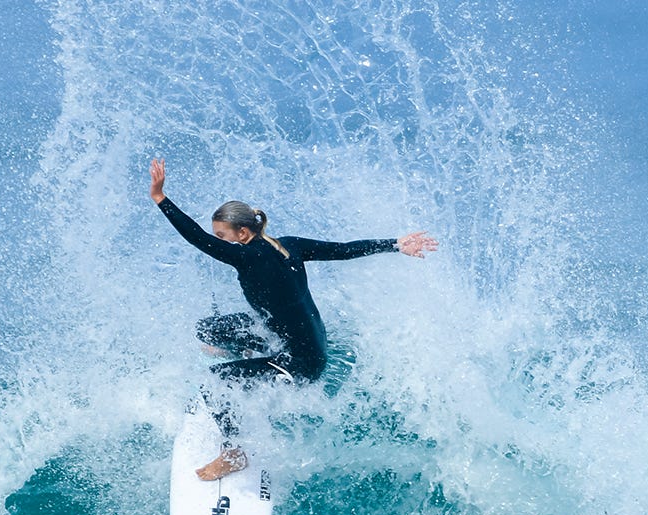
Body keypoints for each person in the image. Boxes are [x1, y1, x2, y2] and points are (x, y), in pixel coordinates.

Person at [149, 158, 438, 480]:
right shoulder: (290, 246)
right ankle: (245, 356)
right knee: (208, 329)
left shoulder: (244, 255)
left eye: (223, 235)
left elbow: (195, 237)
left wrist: (161, 199)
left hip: (301, 361)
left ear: (242, 232)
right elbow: (343, 250)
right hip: (296, 335)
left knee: (218, 380)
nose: (219, 240)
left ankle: (233, 454)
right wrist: (395, 244)